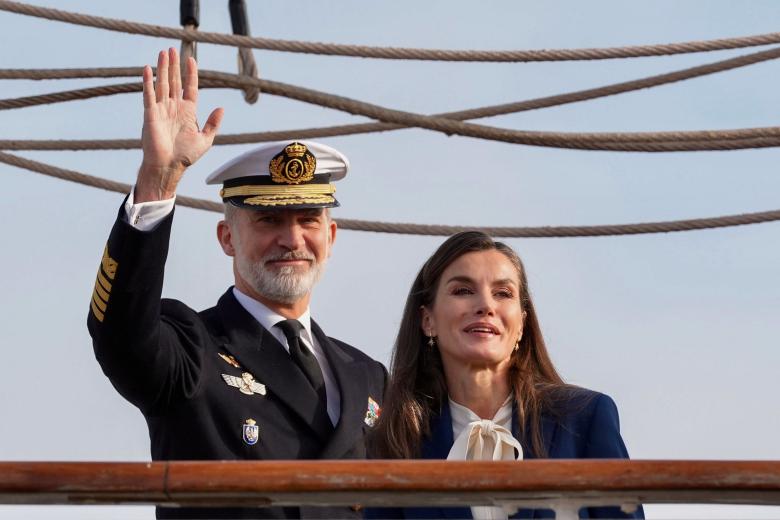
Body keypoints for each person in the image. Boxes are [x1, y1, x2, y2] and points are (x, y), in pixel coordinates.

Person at [87, 48, 386, 519]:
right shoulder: (192, 349)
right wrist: (158, 182)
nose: (292, 239)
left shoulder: (368, 377)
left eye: (308, 219)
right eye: (269, 220)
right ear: (227, 237)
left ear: (329, 237)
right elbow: (121, 333)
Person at [368, 231, 643, 519]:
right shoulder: (394, 443)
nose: (486, 306)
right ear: (428, 320)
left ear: (522, 324)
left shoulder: (586, 417)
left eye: (503, 293)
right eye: (463, 290)